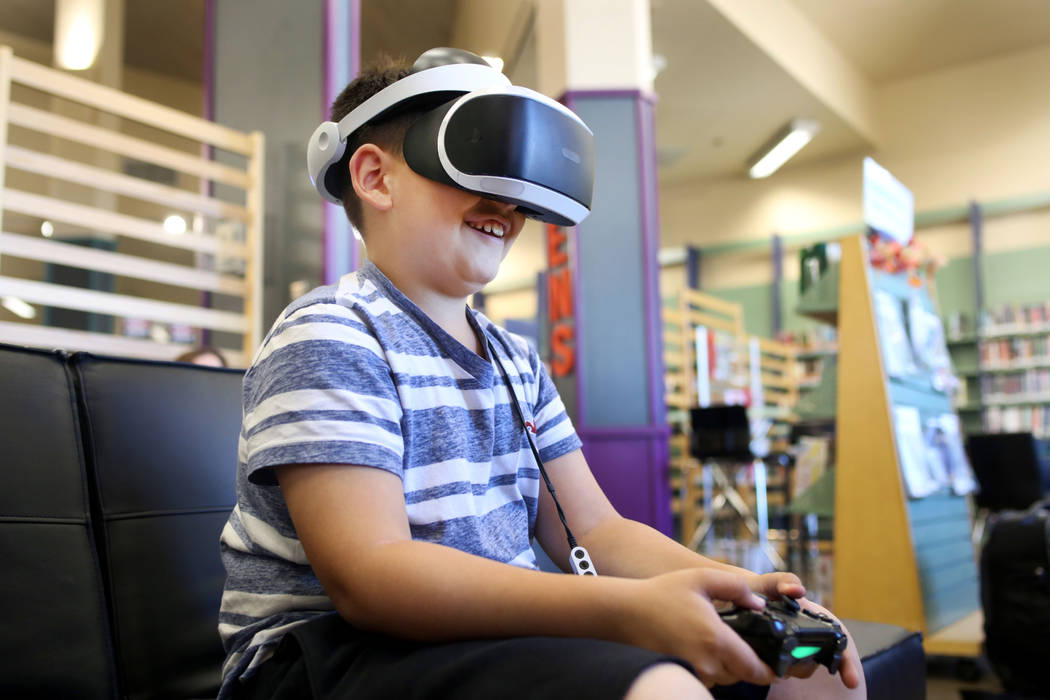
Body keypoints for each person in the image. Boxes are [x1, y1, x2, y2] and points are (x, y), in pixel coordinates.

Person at [217, 48, 865, 700]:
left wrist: (740, 590)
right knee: (662, 689)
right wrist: (628, 612)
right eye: (479, 159)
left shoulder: (517, 361)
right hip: (321, 657)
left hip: (484, 637)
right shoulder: (331, 332)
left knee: (814, 685)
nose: (509, 202)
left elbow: (595, 530)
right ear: (376, 178)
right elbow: (372, 575)